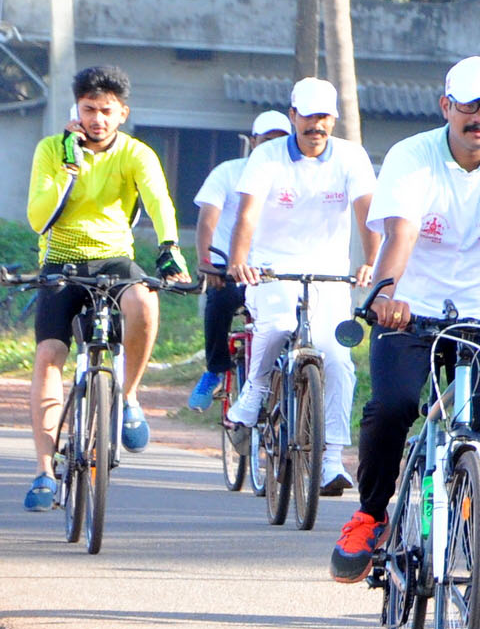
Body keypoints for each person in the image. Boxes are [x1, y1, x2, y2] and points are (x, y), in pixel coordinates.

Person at [328, 56, 480, 623]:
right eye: (470, 107)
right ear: (447, 108)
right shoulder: (412, 157)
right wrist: (387, 294)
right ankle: (371, 516)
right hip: (410, 316)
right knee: (392, 406)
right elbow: (401, 232)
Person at [22, 65, 187, 511]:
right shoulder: (52, 150)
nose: (97, 119)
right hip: (61, 260)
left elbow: (158, 199)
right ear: (76, 109)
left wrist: (170, 245)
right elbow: (39, 218)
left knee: (144, 302)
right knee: (48, 356)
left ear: (122, 113)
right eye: (89, 109)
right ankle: (42, 471)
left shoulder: (136, 153)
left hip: (113, 259)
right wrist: (70, 168)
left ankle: (129, 396)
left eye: (107, 111)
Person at [223, 78, 379, 496]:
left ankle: (330, 460)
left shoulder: (351, 157)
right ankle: (255, 392)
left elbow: (368, 215)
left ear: (334, 119)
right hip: (271, 268)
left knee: (338, 360)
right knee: (274, 327)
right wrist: (240, 259)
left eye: (324, 116)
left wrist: (370, 263)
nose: (317, 125)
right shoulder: (268, 156)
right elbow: (248, 214)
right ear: (293, 116)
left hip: (328, 273)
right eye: (308, 116)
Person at [186, 110, 292, 412]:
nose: (272, 146)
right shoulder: (228, 172)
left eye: (280, 140)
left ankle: (296, 379)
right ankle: (216, 370)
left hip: (275, 270)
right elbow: (208, 219)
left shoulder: (295, 177)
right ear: (253, 141)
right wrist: (206, 262)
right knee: (219, 302)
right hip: (229, 268)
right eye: (267, 140)